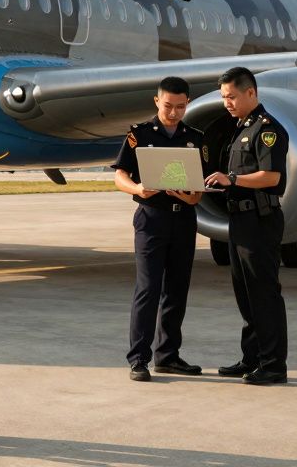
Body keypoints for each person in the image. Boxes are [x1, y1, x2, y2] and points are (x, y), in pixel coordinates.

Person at [111, 76, 204, 382]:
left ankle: (168, 356)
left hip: (183, 219)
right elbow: (119, 175)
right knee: (148, 289)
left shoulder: (195, 137)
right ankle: (139, 358)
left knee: (177, 289)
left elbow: (198, 190)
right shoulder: (139, 134)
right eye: (168, 106)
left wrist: (191, 195)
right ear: (156, 101)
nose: (174, 112)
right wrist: (137, 188)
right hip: (152, 217)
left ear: (187, 103)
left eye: (180, 107)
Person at [204, 67, 290, 386]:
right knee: (244, 293)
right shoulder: (240, 128)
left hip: (260, 220)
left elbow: (271, 177)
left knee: (264, 293)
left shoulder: (267, 130)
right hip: (240, 220)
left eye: (231, 96)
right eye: (224, 97)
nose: (226, 102)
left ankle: (273, 365)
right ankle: (251, 358)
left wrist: (233, 179)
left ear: (250, 93)